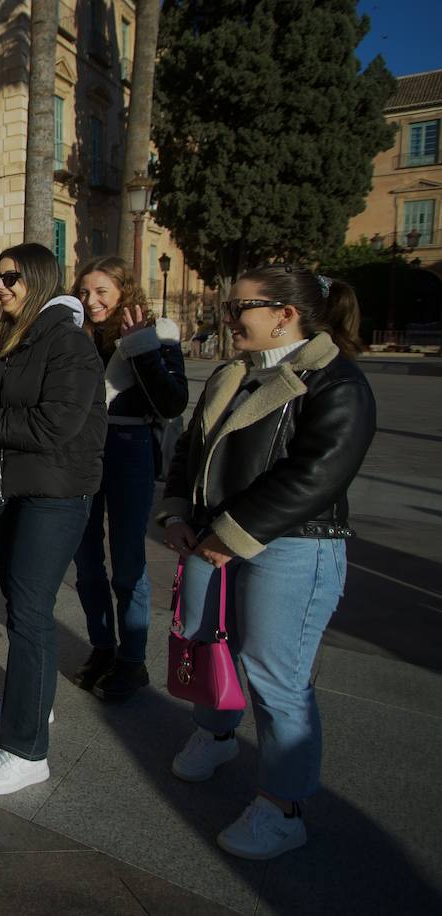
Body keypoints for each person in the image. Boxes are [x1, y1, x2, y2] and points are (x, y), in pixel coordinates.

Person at [156, 266, 375, 860]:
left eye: (240, 308)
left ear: (285, 314)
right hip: (212, 536)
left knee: (277, 677)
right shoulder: (233, 373)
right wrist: (176, 512)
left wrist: (232, 534)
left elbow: (316, 475)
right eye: (228, 307)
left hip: (293, 545)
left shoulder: (336, 382)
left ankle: (283, 807)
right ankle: (217, 734)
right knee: (204, 641)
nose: (228, 318)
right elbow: (189, 449)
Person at [0, 242, 104, 796]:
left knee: (30, 612)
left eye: (11, 277)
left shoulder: (68, 342)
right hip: (12, 489)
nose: (0, 286)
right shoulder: (15, 339)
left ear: (39, 279)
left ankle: (28, 750)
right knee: (22, 608)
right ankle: (31, 701)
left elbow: (56, 425)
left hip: (53, 494)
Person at [69, 257, 188, 701]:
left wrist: (141, 347)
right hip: (81, 451)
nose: (91, 300)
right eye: (84, 291)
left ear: (124, 292)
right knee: (85, 561)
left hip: (129, 449)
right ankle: (103, 647)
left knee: (128, 563)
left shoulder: (158, 332)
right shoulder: (75, 333)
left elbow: (172, 401)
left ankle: (133, 660)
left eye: (101, 291)